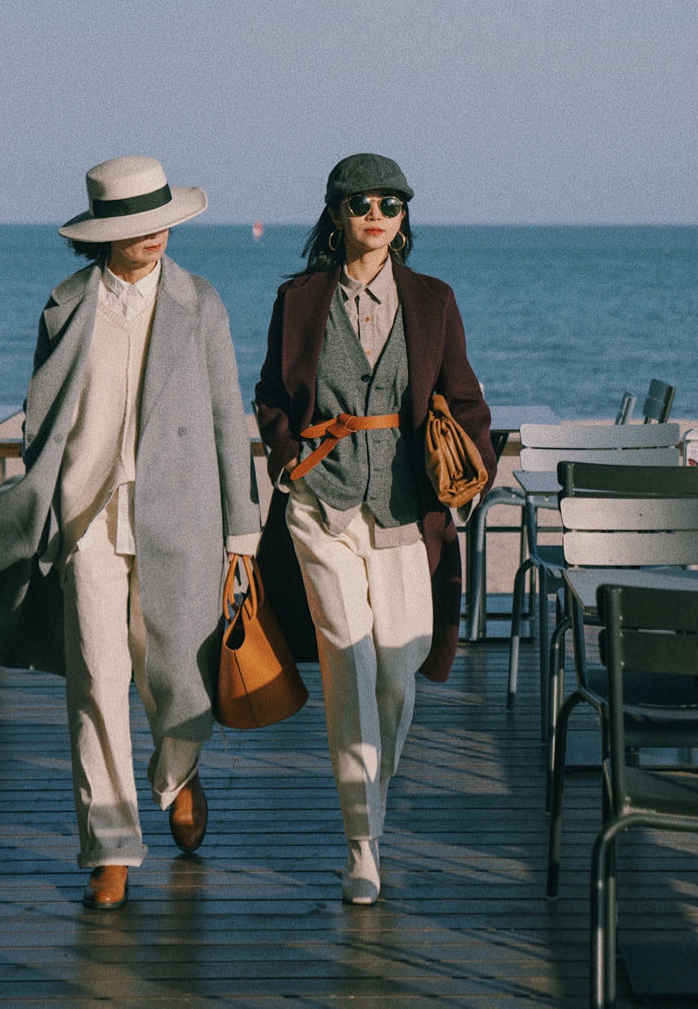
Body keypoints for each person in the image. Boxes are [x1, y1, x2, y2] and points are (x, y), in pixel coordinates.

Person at [0, 156, 260, 909]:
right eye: (138, 226)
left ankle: (179, 772)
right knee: (98, 681)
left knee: (178, 672)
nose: (156, 235)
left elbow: (231, 422)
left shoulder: (201, 303)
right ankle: (111, 846)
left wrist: (243, 531)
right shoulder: (66, 306)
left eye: (162, 220)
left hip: (182, 518)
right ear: (104, 233)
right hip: (85, 519)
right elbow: (42, 417)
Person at [254, 153, 495, 905]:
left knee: (397, 670)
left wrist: (468, 477)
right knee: (349, 664)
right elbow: (269, 395)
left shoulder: (433, 300)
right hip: (319, 505)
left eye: (391, 203)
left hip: (404, 506)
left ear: (404, 218)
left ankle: (373, 800)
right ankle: (363, 844)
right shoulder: (298, 299)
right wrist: (289, 461)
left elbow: (467, 397)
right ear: (336, 214)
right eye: (361, 203)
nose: (377, 214)